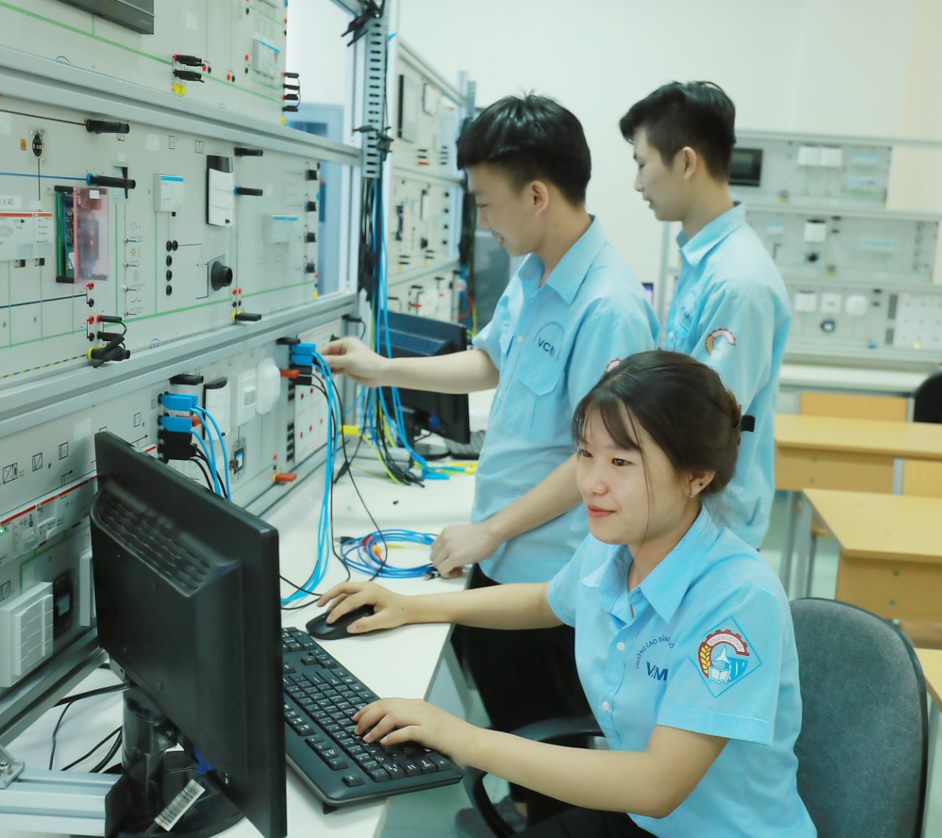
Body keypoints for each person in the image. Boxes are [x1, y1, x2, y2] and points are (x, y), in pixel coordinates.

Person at [324, 93, 658, 824]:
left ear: (536, 195)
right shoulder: (538, 274)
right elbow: (489, 362)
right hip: (504, 556)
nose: (481, 220)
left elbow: (598, 466)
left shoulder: (607, 307)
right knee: (510, 725)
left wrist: (493, 530)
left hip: (551, 578)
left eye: (485, 202)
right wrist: (382, 369)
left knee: (551, 763)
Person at [315, 351, 816, 837]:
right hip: (637, 819)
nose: (592, 483)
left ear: (695, 476)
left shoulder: (737, 600)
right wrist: (411, 607)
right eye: (586, 454)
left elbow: (658, 786)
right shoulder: (617, 545)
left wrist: (464, 738)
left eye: (621, 461)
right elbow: (544, 602)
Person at [619, 81, 791, 550]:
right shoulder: (705, 264)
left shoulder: (739, 281)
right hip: (682, 518)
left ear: (686, 162)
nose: (637, 184)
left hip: (710, 530)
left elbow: (700, 427)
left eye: (641, 164)